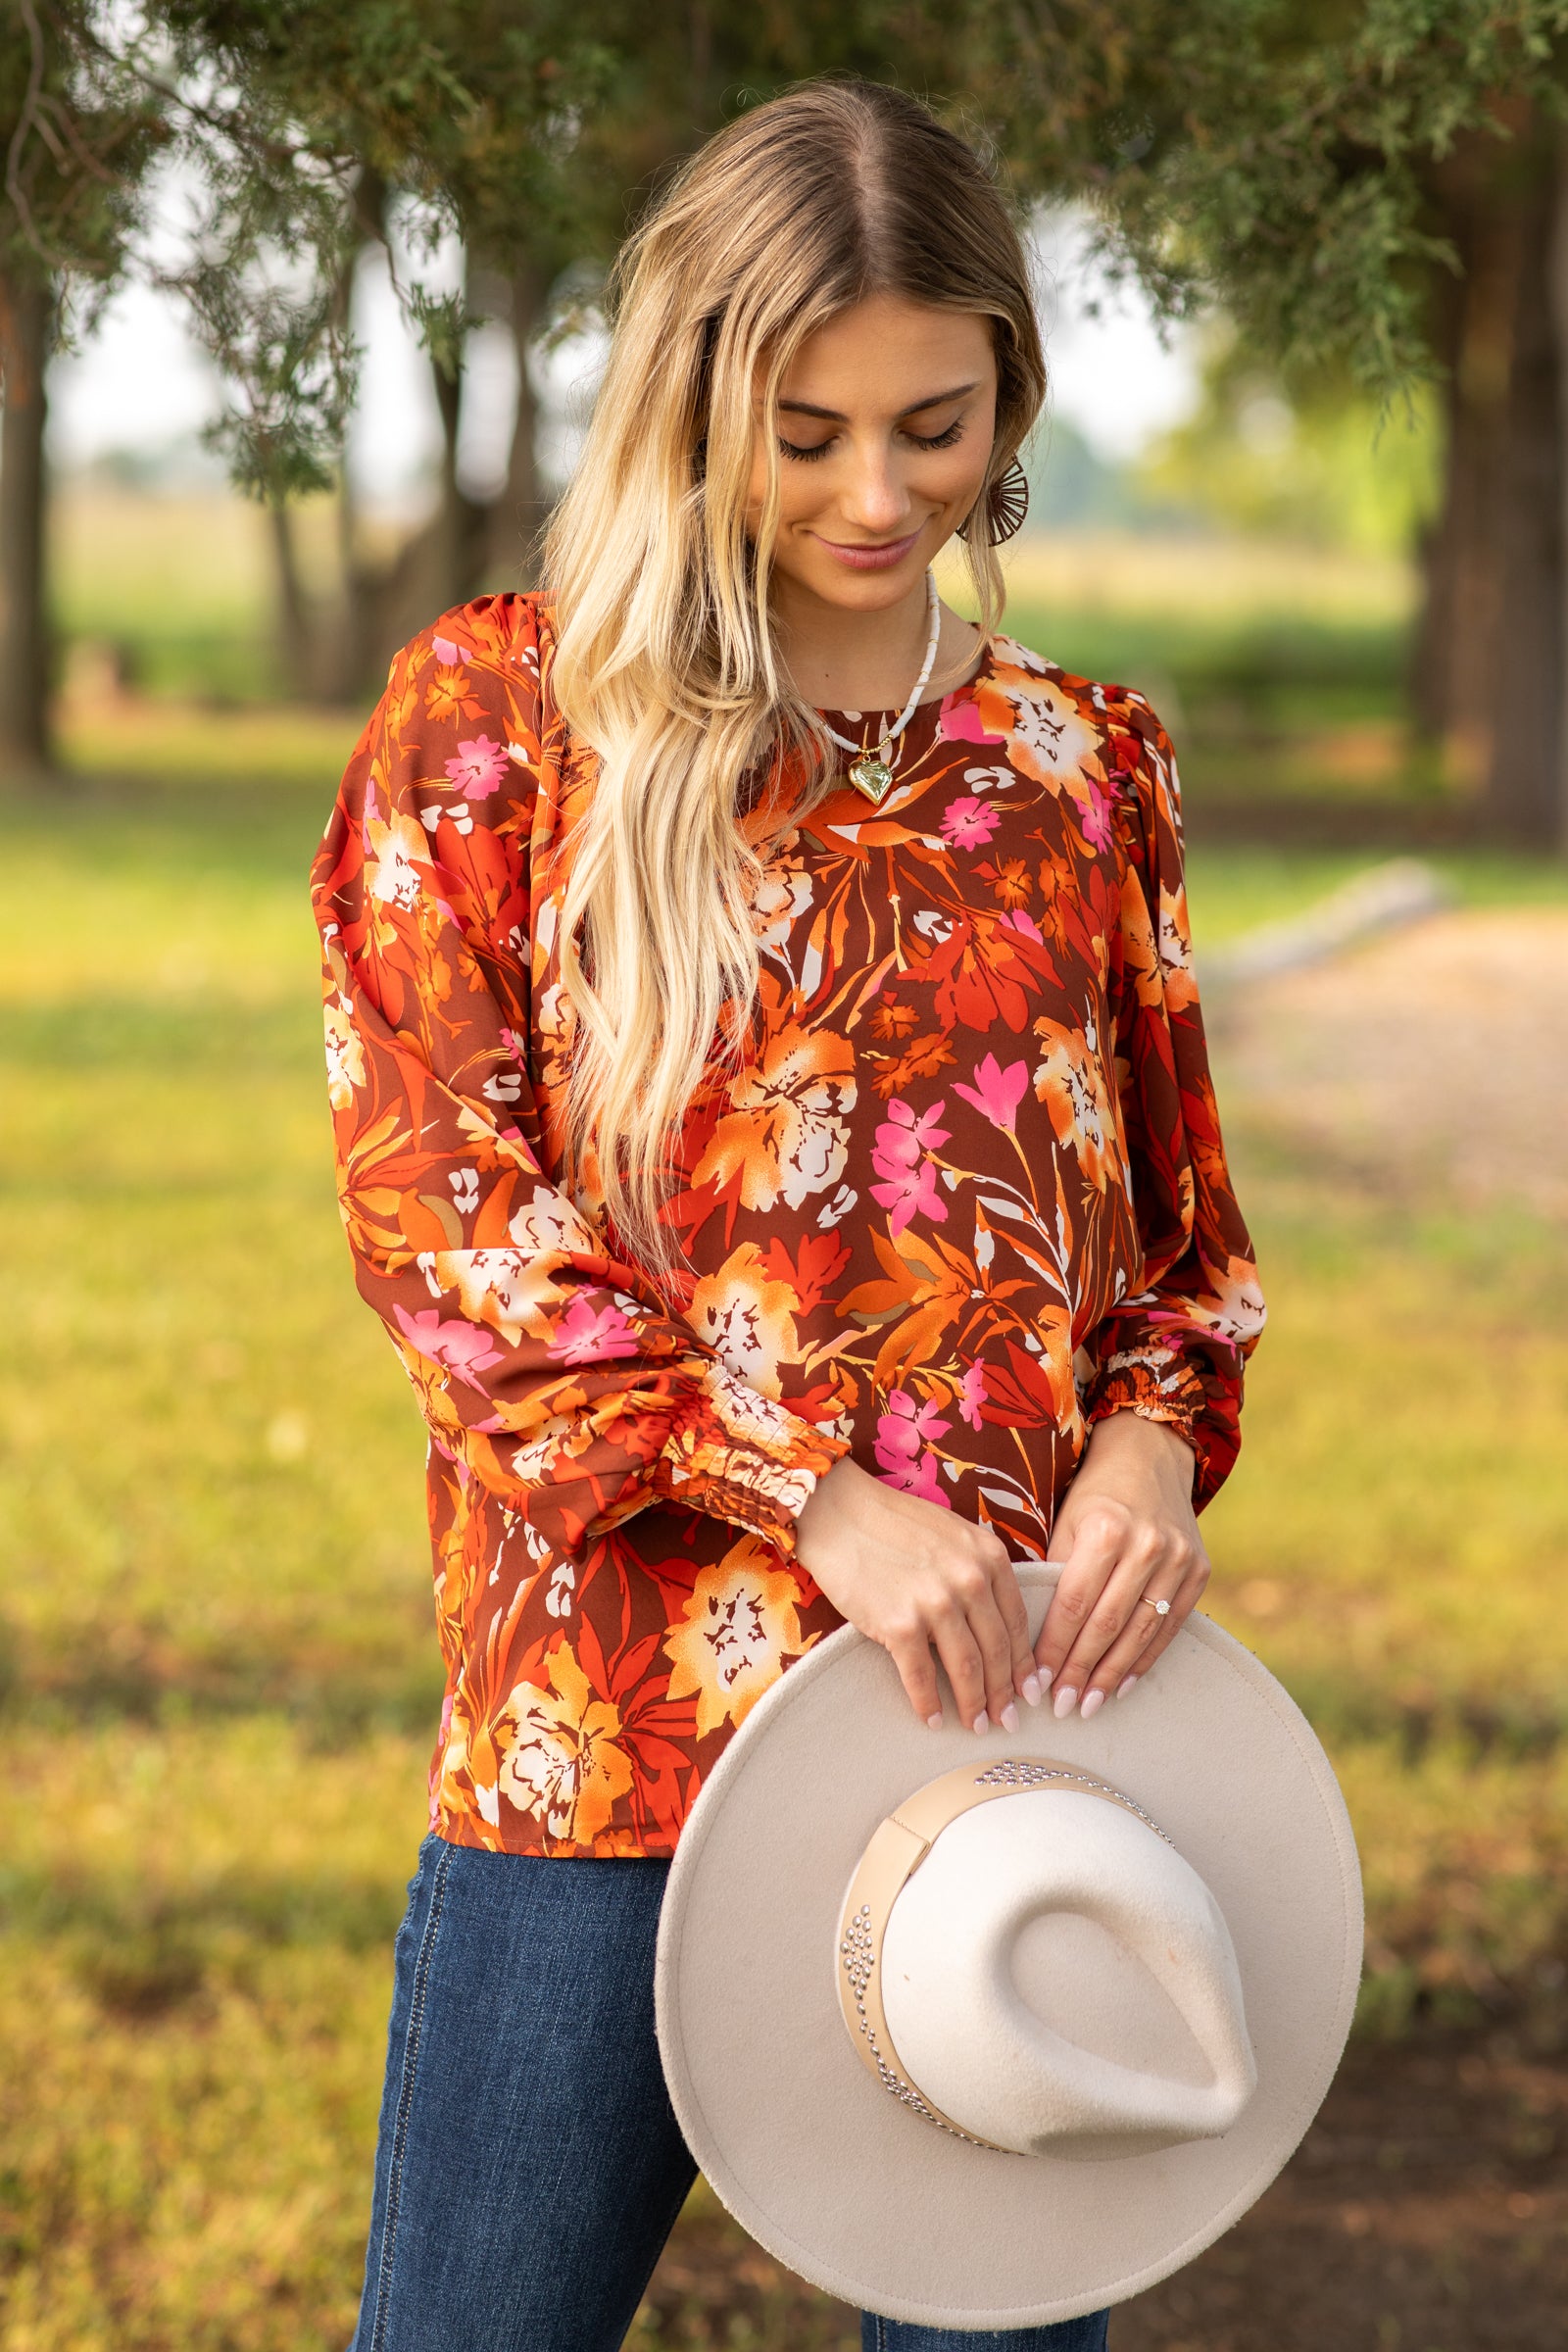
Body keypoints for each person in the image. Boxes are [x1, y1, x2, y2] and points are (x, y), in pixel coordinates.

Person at [311, 75, 1265, 2352]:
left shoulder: (1077, 770)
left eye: (931, 426)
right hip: (603, 1740)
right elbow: (444, 1227)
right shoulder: (496, 727)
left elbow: (1174, 1255)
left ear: (1007, 395)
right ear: (691, 400)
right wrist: (806, 1497)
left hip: (1001, 1769)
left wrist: (1149, 1442)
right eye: (803, 431)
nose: (872, 495)